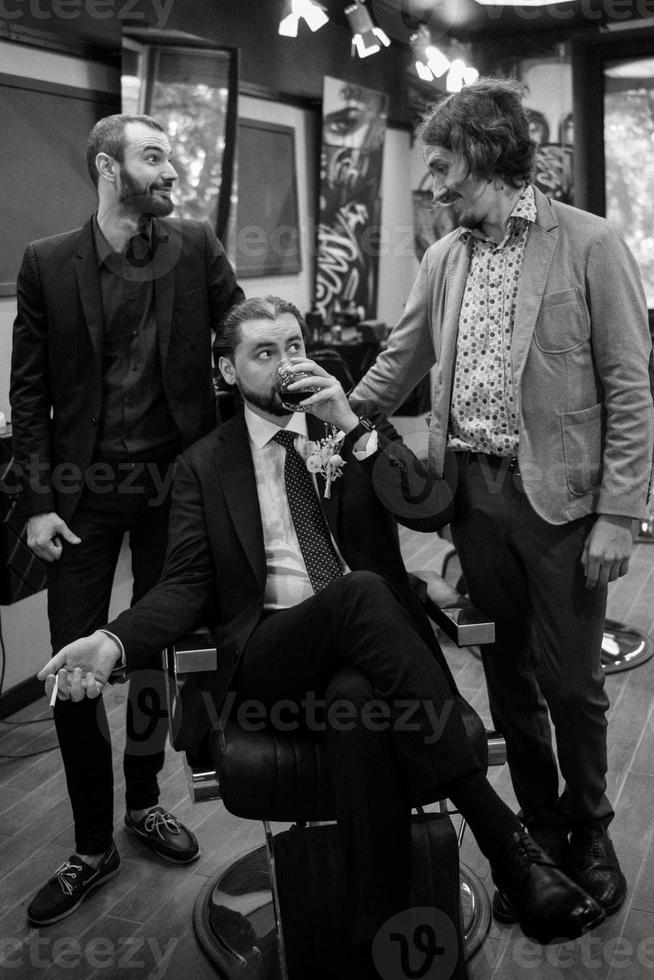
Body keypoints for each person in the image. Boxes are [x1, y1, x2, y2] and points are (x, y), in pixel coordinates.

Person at [38, 296, 605, 974]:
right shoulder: (202, 466)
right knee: (359, 591)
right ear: (226, 370)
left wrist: (354, 427)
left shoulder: (350, 432)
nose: (286, 362)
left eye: (295, 344)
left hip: (371, 655)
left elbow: (433, 511)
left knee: (359, 702)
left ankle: (383, 946)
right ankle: (504, 837)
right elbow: (184, 585)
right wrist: (113, 641)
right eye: (264, 352)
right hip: (271, 653)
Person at [350, 78, 654, 925]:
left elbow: (633, 388)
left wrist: (619, 512)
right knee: (506, 675)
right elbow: (401, 361)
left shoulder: (590, 243)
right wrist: (334, 419)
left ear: (484, 154)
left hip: (561, 502)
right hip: (471, 500)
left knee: (571, 682)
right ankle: (543, 831)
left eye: (443, 165)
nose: (434, 185)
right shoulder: (446, 257)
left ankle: (592, 829)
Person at [10, 113, 244, 925]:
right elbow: (29, 394)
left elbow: (242, 333)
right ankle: (89, 845)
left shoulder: (198, 248)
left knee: (155, 653)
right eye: (154, 156)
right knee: (74, 672)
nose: (170, 169)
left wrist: (288, 373)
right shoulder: (46, 263)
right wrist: (36, 502)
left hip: (175, 491)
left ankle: (143, 801)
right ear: (109, 169)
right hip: (79, 500)